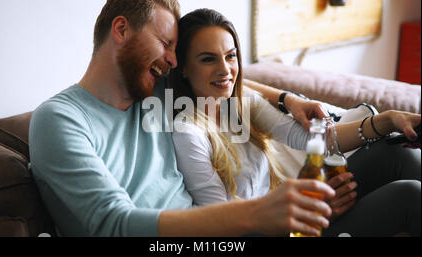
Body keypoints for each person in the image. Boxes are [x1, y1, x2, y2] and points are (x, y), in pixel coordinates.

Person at [29, 0, 339, 237]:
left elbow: (223, 77)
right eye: (165, 44)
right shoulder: (60, 119)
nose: (173, 60)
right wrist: (257, 213)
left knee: (386, 175)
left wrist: (288, 99)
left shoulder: (155, 89)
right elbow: (114, 222)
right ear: (121, 30)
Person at [169, 8, 421, 236]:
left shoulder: (243, 101)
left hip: (296, 215)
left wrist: (388, 120)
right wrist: (310, 214)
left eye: (230, 56)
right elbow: (221, 227)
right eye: (208, 59)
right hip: (279, 230)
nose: (225, 69)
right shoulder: (188, 133)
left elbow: (314, 139)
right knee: (410, 196)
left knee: (398, 152)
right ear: (183, 68)